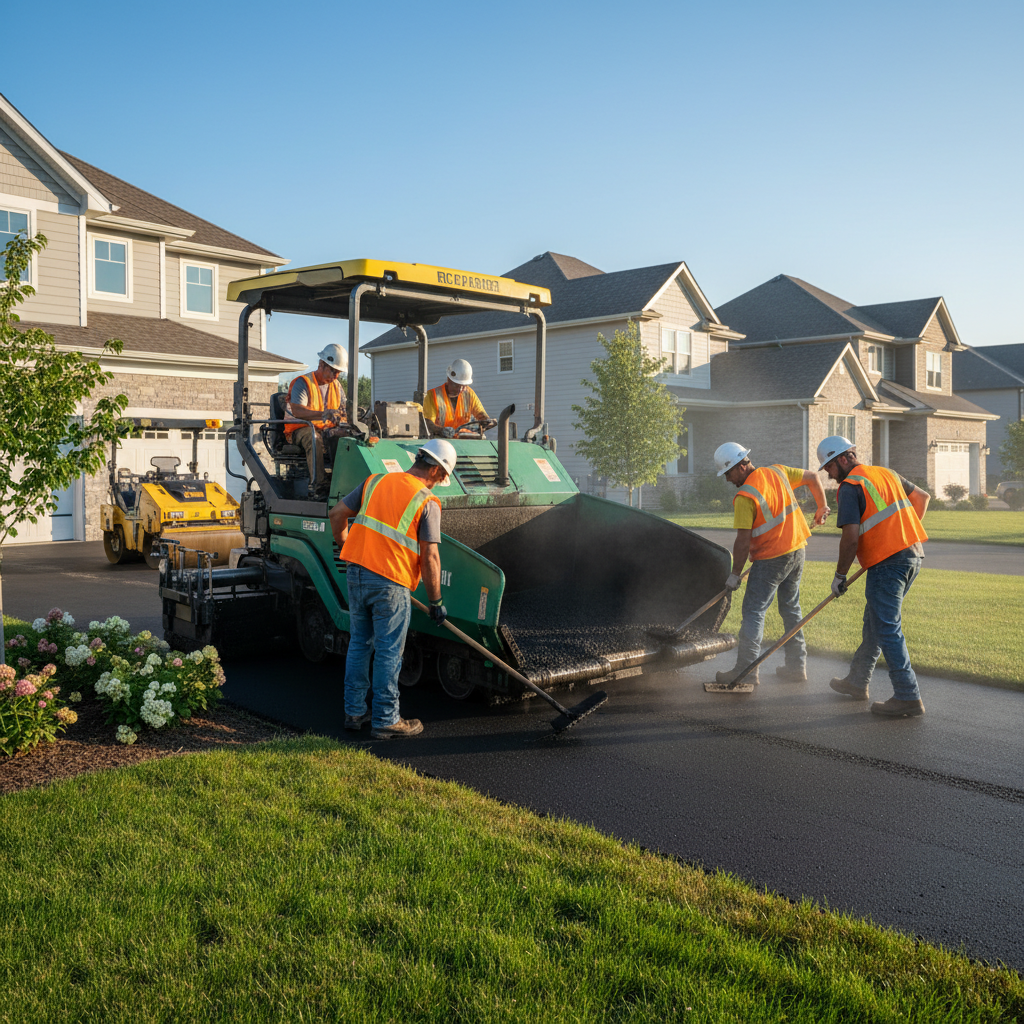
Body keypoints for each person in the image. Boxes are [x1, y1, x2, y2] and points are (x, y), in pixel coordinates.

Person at [328, 438, 458, 739]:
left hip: (356, 574)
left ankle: (354, 712)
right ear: (436, 470)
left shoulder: (375, 481)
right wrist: (436, 601)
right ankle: (386, 719)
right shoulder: (427, 501)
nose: (438, 484)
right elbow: (430, 555)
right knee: (388, 651)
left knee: (360, 644)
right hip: (389, 581)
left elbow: (336, 514)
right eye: (441, 478)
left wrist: (347, 546)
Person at [817, 435, 930, 718]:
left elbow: (850, 538)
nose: (829, 475)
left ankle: (907, 695)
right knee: (875, 623)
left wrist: (839, 575)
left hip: (888, 564)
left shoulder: (850, 486)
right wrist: (900, 536)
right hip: (911, 555)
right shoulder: (886, 473)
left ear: (844, 459)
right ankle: (857, 681)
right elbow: (922, 497)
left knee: (887, 628)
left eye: (829, 467)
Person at [713, 441, 831, 686]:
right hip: (797, 551)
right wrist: (822, 506)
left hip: (771, 558)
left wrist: (735, 574)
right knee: (791, 609)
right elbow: (812, 477)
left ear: (741, 466)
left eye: (728, 472)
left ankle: (746, 671)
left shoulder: (745, 496)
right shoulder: (778, 471)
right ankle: (796, 667)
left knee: (753, 611)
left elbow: (743, 541)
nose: (727, 479)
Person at [284, 344, 348, 497]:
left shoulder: (337, 386)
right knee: (313, 437)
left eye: (338, 372)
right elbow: (298, 411)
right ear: (321, 364)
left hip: (325, 429)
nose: (336, 376)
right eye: (333, 371)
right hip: (299, 429)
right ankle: (319, 485)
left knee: (347, 437)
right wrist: (324, 414)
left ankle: (343, 482)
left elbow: (344, 409)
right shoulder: (303, 382)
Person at [422, 359, 492, 435]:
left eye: (463, 386)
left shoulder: (469, 394)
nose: (460, 389)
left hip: (463, 440)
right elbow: (428, 423)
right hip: (440, 440)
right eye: (456, 385)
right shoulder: (433, 395)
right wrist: (441, 431)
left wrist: (486, 420)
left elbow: (480, 414)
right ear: (449, 379)